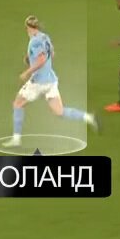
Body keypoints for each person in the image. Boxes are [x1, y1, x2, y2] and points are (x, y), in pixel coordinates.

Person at [10, 15, 93, 146]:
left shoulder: (34, 41)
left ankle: (16, 140)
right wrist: (30, 57)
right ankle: (88, 117)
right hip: (51, 80)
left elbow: (42, 59)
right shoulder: (45, 37)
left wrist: (27, 72)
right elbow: (52, 54)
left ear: (29, 27)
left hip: (38, 82)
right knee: (59, 111)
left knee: (18, 104)